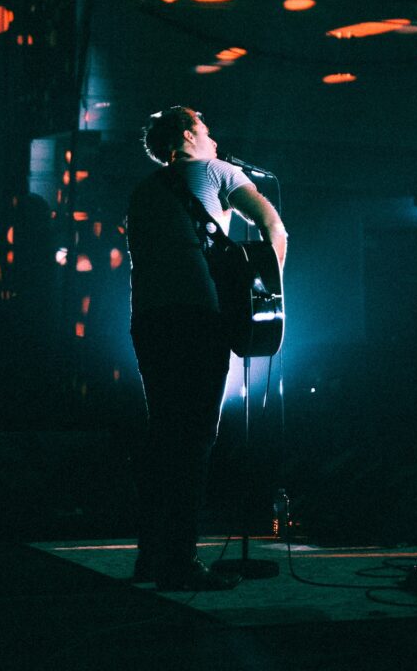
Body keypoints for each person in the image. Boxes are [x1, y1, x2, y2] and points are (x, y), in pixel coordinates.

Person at [126, 106, 287, 591]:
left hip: (150, 320)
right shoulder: (218, 171)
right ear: (187, 134)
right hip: (198, 317)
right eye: (206, 129)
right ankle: (180, 562)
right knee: (195, 438)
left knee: (163, 436)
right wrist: (267, 291)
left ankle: (152, 557)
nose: (214, 138)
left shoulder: (142, 191)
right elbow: (273, 227)